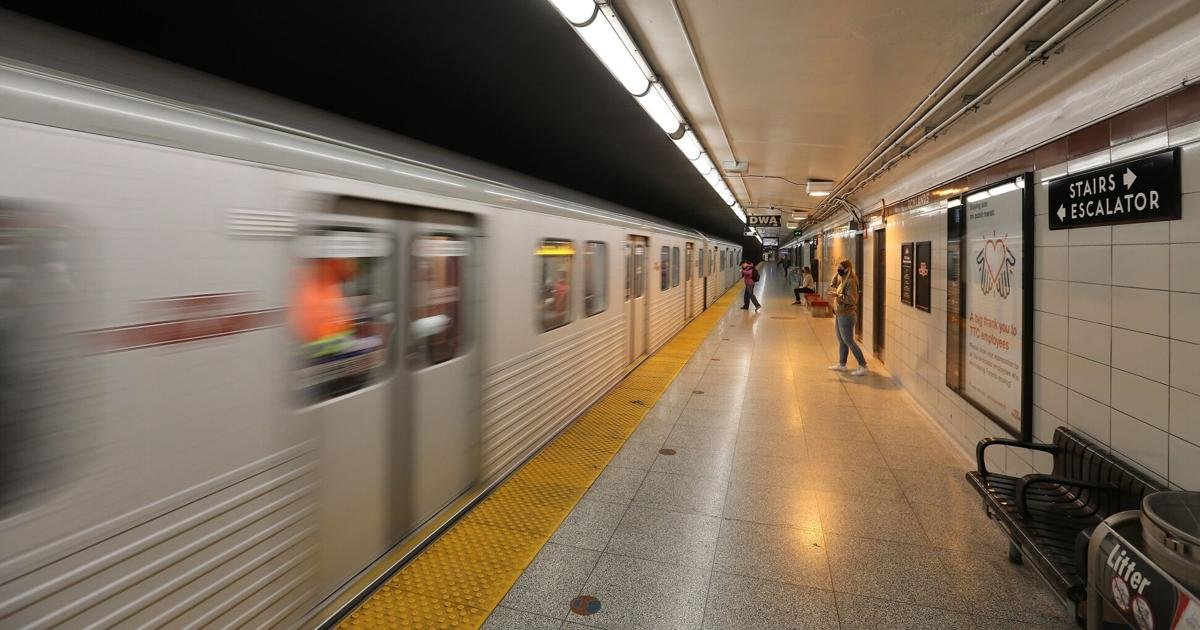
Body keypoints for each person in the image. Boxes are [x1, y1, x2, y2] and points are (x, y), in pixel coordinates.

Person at [828, 259, 867, 376]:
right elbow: (832, 284)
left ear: (847, 269)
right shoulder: (843, 280)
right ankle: (842, 364)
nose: (838, 270)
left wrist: (838, 296)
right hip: (840, 314)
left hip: (847, 315)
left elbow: (852, 300)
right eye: (838, 268)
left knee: (849, 340)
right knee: (842, 340)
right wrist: (837, 273)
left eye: (841, 268)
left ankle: (863, 365)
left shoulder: (851, 282)